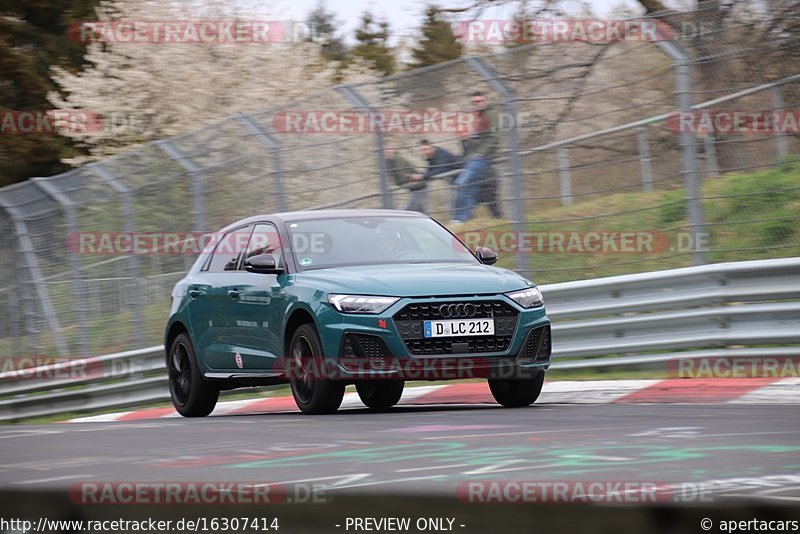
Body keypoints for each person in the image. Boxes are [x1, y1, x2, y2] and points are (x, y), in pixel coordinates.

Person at [451, 91, 500, 223]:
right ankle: (462, 219)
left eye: (479, 101)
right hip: (475, 157)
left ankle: (459, 218)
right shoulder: (481, 116)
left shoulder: (490, 114)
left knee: (462, 183)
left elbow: (494, 136)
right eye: (474, 102)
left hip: (481, 157)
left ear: (485, 101)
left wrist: (482, 152)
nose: (477, 104)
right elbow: (479, 139)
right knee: (470, 188)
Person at [383, 147, 427, 213]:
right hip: (415, 187)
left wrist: (398, 186)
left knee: (406, 209)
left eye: (388, 150)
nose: (386, 152)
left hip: (418, 186)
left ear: (393, 150)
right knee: (418, 209)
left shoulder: (398, 159)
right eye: (385, 151)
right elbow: (390, 175)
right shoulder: (390, 161)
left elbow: (401, 177)